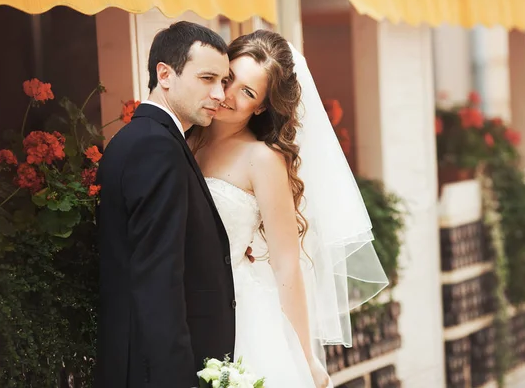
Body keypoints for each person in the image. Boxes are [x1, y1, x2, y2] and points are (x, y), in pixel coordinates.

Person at [189, 30, 389, 388]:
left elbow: (286, 264)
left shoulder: (261, 159)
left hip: (239, 313)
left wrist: (305, 357)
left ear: (262, 106)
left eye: (248, 92)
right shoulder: (186, 137)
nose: (230, 96)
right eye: (230, 78)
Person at [95, 21, 236, 388]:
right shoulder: (155, 147)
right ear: (165, 74)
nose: (220, 94)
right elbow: (158, 279)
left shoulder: (144, 138)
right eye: (207, 78)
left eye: (224, 81)